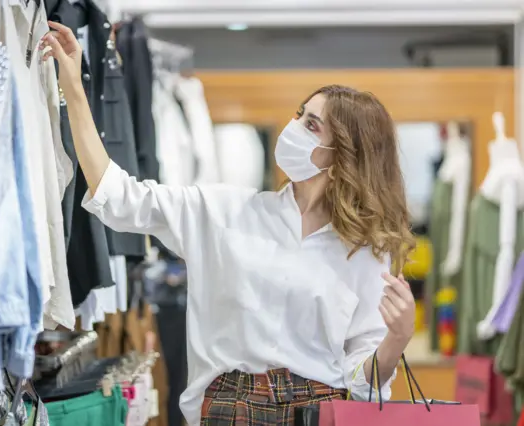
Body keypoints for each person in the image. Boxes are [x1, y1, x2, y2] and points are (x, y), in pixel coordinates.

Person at [40, 21, 417, 426]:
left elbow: (362, 382)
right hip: (229, 408)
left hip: (318, 410)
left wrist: (396, 339)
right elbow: (118, 195)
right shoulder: (223, 210)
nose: (295, 128)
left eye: (311, 125)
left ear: (343, 154)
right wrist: (74, 89)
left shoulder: (365, 252)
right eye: (299, 115)